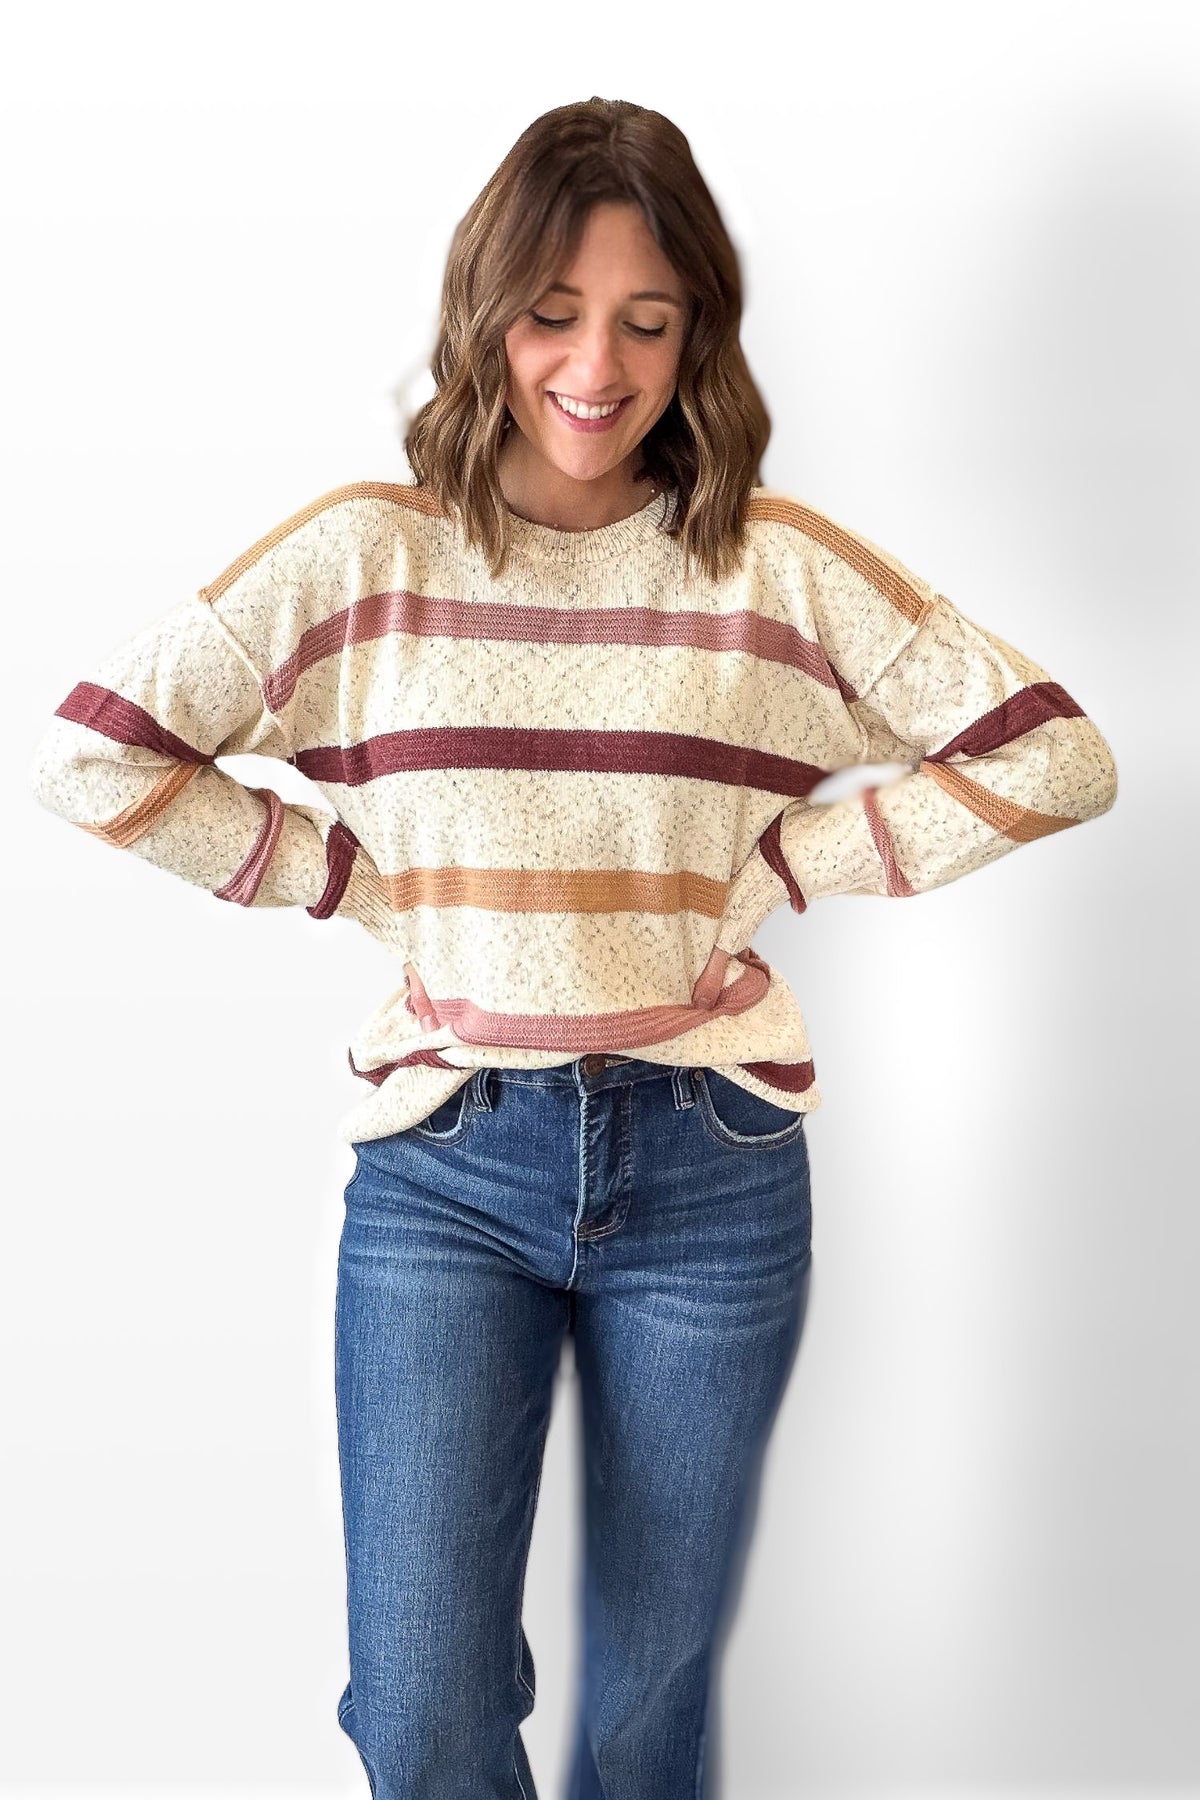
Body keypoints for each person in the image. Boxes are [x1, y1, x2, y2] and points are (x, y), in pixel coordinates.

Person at [29, 96, 1118, 1800]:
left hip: (714, 1157)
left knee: (644, 1718)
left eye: (647, 319)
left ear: (701, 337)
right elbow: (96, 752)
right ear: (485, 316)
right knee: (422, 1711)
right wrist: (351, 886)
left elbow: (1055, 751)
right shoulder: (363, 558)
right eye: (552, 312)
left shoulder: (774, 570)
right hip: (445, 1165)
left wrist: (787, 859)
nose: (595, 366)